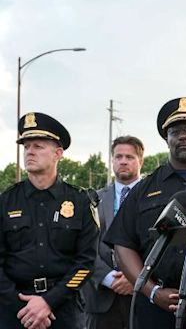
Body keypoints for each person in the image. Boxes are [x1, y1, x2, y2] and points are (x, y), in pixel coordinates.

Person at [103, 98, 186, 329]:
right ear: (166, 139)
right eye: (175, 131)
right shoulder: (143, 189)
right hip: (156, 309)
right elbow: (123, 243)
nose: (183, 136)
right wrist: (152, 291)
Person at [0, 112, 99, 329]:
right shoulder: (6, 201)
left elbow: (86, 262)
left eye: (38, 146)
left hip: (63, 309)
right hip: (14, 310)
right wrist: (24, 306)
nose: (30, 152)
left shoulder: (80, 201)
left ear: (58, 153)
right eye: (26, 147)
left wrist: (48, 302)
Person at [82, 136, 145, 329]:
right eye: (118, 157)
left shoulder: (153, 198)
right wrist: (108, 278)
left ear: (140, 161)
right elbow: (83, 246)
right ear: (112, 161)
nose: (123, 161)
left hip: (142, 298)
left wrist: (135, 278)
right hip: (101, 297)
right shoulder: (92, 200)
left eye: (129, 157)